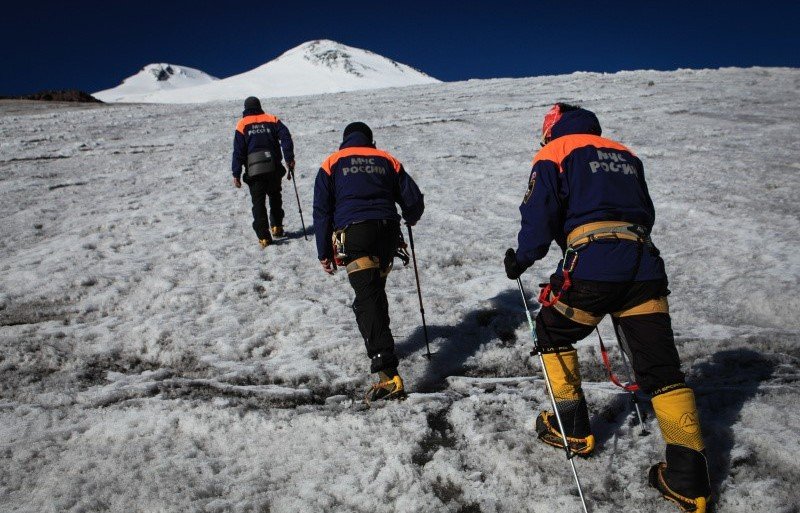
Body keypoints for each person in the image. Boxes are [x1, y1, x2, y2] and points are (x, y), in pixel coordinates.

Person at [504, 103, 711, 513]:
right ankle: (689, 480)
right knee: (661, 367)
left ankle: (572, 429)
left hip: (594, 267)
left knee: (551, 331)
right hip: (644, 266)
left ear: (552, 128)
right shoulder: (625, 154)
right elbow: (644, 212)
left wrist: (523, 258)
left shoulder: (555, 153)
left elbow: (539, 213)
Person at [313, 122, 424, 402]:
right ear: (369, 140)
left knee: (367, 297)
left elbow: (322, 211)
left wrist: (324, 251)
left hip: (355, 233)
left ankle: (388, 375)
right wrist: (410, 215)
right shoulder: (386, 159)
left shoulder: (332, 162)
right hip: (387, 233)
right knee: (372, 294)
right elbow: (414, 199)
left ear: (345, 139)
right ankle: (382, 351)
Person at [231, 96, 295, 248]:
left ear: (245, 108)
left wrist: (236, 173)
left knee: (258, 203)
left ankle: (264, 237)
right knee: (275, 196)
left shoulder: (242, 124)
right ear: (259, 106)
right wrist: (289, 158)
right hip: (273, 167)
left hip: (254, 170)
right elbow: (286, 136)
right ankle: (277, 227)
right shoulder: (272, 119)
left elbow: (238, 151)